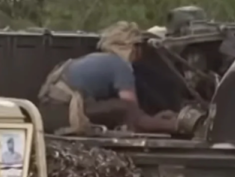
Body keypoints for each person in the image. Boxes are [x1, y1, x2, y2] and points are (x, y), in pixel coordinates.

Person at [37, 21, 178, 135]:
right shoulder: (120, 66)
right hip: (64, 114)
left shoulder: (97, 59)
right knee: (125, 107)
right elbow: (133, 113)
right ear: (134, 47)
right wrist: (171, 124)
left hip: (47, 114)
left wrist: (154, 119)